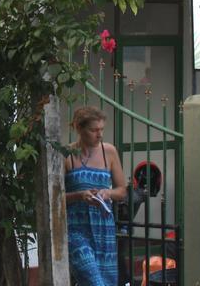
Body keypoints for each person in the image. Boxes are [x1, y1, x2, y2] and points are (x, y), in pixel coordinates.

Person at [65, 106, 127, 286]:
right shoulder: (66, 155)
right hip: (76, 229)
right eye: (94, 130)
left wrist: (108, 193)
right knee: (94, 281)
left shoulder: (110, 152)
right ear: (79, 128)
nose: (99, 134)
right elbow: (54, 197)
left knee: (105, 281)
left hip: (103, 228)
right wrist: (79, 195)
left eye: (101, 129)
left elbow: (122, 190)